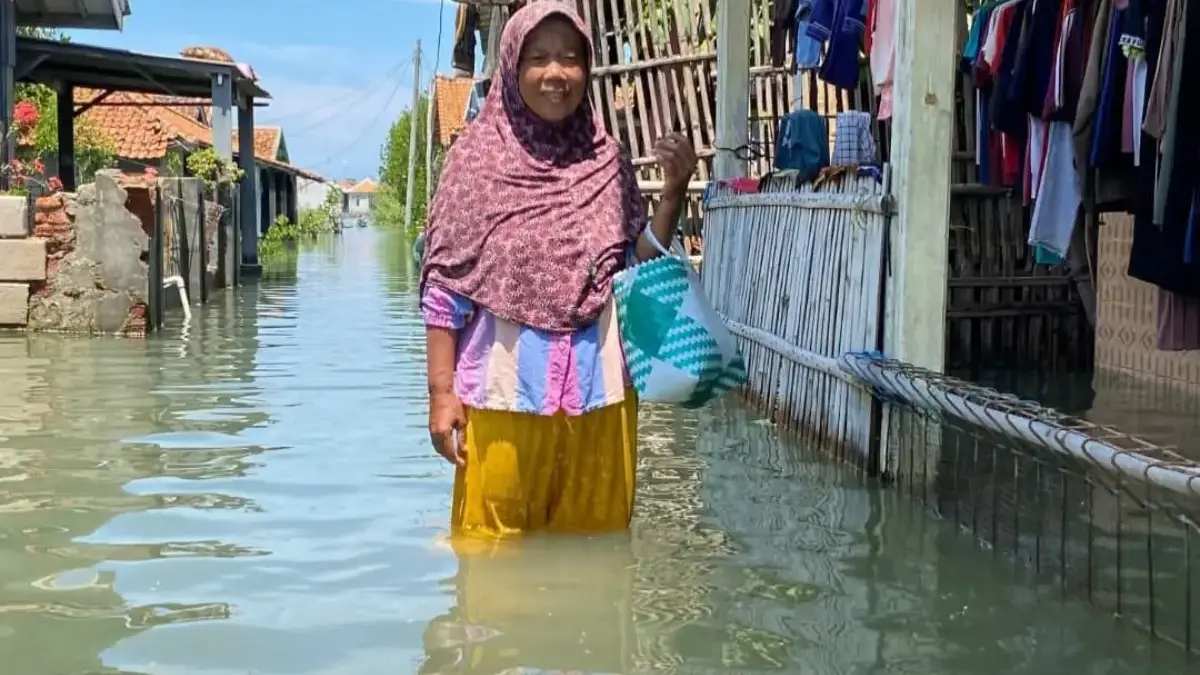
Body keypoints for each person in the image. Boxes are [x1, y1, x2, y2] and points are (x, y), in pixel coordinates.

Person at [420, 1, 697, 539]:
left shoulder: (607, 160)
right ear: (511, 67)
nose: (556, 73)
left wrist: (672, 195)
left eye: (570, 58)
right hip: (503, 398)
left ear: (586, 70)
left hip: (602, 398)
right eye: (540, 58)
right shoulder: (474, 161)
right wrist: (440, 395)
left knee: (600, 553)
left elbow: (633, 268)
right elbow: (444, 289)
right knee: (489, 562)